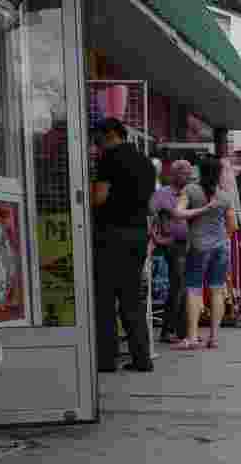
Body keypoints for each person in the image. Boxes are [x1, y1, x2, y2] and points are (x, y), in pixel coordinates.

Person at [90, 118, 159, 372]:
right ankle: (142, 359)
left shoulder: (109, 159)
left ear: (109, 135)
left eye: (97, 137)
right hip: (138, 235)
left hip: (111, 234)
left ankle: (106, 360)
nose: (95, 144)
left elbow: (99, 197)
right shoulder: (146, 163)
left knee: (105, 298)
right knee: (131, 298)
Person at [171, 156, 240, 349]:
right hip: (221, 248)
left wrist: (201, 210)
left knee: (194, 290)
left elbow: (178, 213)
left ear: (199, 170)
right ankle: (214, 337)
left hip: (198, 246)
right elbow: (233, 225)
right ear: (219, 172)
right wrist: (221, 238)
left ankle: (192, 338)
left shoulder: (190, 190)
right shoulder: (225, 195)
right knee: (217, 290)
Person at [149, 160, 210, 344]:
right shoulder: (162, 194)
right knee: (179, 286)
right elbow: (150, 216)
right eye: (185, 173)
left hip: (193, 244)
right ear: (174, 174)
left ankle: (185, 331)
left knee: (189, 287)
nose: (189, 177)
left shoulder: (193, 193)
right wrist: (157, 238)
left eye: (190, 173)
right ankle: (169, 330)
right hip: (174, 245)